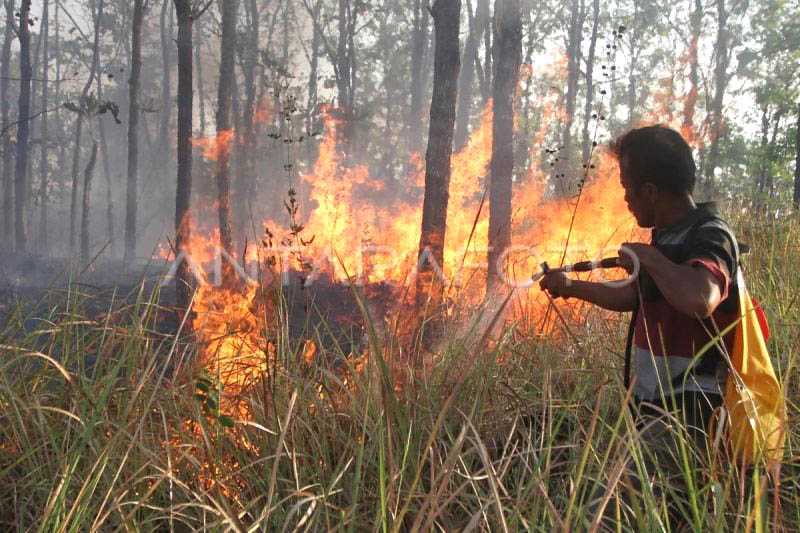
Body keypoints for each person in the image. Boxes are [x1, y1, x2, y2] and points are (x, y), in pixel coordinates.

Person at [540, 125, 739, 525]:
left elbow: (700, 298)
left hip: (691, 409)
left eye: (628, 187)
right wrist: (571, 287)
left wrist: (648, 258)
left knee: (603, 514)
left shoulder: (710, 235)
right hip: (654, 408)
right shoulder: (667, 237)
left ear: (650, 190)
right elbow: (634, 298)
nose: (626, 199)